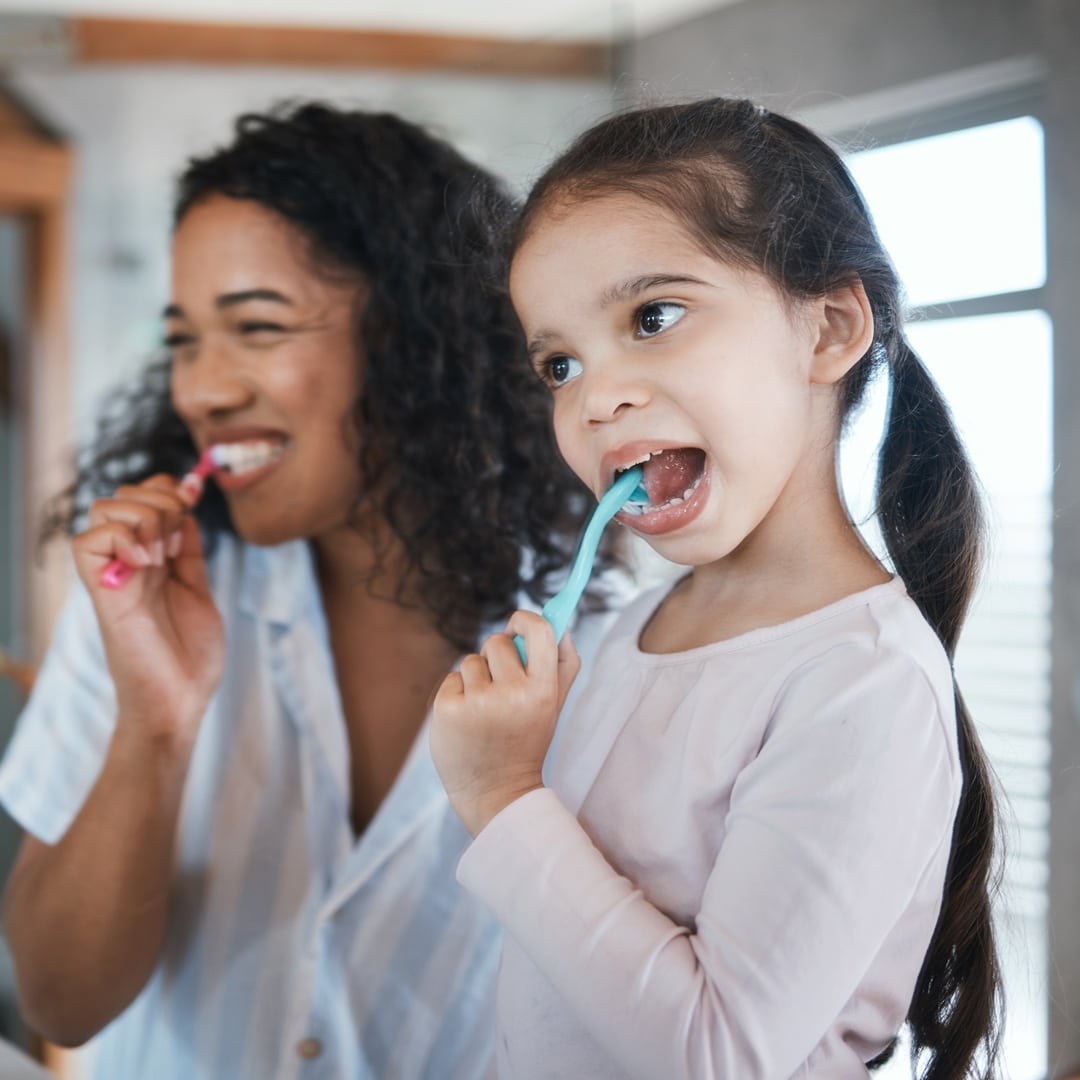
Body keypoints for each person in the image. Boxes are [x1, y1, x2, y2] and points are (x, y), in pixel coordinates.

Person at [0, 102, 614, 1078]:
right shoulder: (143, 598)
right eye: (184, 340)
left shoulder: (616, 640)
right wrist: (154, 726)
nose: (201, 389)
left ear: (417, 339)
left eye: (256, 326)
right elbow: (57, 999)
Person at [429, 97, 1004, 1079]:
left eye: (653, 317)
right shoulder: (632, 629)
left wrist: (502, 794)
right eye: (558, 364)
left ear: (827, 329)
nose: (595, 398)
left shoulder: (863, 681)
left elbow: (718, 1053)